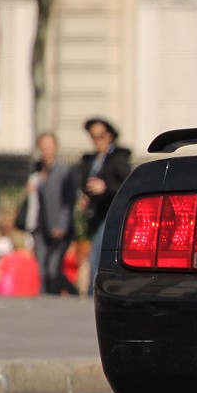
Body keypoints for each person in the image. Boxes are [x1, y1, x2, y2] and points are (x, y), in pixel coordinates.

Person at [77, 117, 132, 296]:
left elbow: (127, 184)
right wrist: (85, 196)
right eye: (93, 137)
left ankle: (96, 293)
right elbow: (83, 183)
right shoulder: (90, 160)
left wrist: (105, 187)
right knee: (94, 253)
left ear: (109, 136)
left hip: (111, 213)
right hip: (94, 214)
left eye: (100, 136)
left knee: (97, 254)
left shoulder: (118, 158)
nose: (97, 141)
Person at [28, 131, 80, 295]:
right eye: (43, 147)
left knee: (53, 267)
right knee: (42, 267)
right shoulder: (35, 171)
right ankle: (45, 297)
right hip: (40, 225)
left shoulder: (64, 171)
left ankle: (71, 293)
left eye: (49, 147)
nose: (46, 151)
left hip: (59, 227)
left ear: (55, 148)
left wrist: (62, 224)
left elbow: (69, 201)